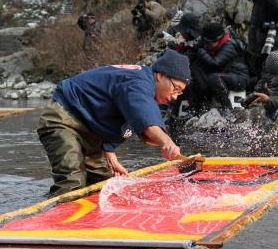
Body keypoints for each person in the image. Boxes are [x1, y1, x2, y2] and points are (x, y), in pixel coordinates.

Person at [37, 49, 190, 196]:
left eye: (180, 92)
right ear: (160, 75)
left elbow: (128, 115)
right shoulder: (138, 82)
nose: (175, 96)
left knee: (103, 183)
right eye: (176, 88)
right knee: (72, 181)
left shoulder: (141, 83)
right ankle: (57, 219)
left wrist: (110, 153)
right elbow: (146, 118)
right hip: (64, 119)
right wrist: (166, 142)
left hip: (90, 129)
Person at [194, 22, 250, 110]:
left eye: (208, 43)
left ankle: (227, 109)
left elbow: (215, 63)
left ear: (218, 40)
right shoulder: (218, 46)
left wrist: (200, 50)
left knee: (214, 78)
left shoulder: (229, 45)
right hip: (228, 76)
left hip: (240, 78)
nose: (207, 46)